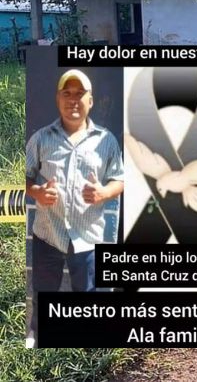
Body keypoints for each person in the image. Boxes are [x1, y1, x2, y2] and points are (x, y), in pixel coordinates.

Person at [25, 69, 124, 347]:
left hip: (87, 236)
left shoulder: (106, 141)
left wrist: (104, 192)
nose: (73, 100)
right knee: (43, 292)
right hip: (48, 233)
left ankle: (89, 344)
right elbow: (26, 176)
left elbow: (120, 178)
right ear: (58, 99)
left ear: (90, 101)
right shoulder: (41, 139)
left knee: (88, 293)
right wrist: (36, 192)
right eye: (67, 94)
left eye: (80, 94)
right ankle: (38, 336)